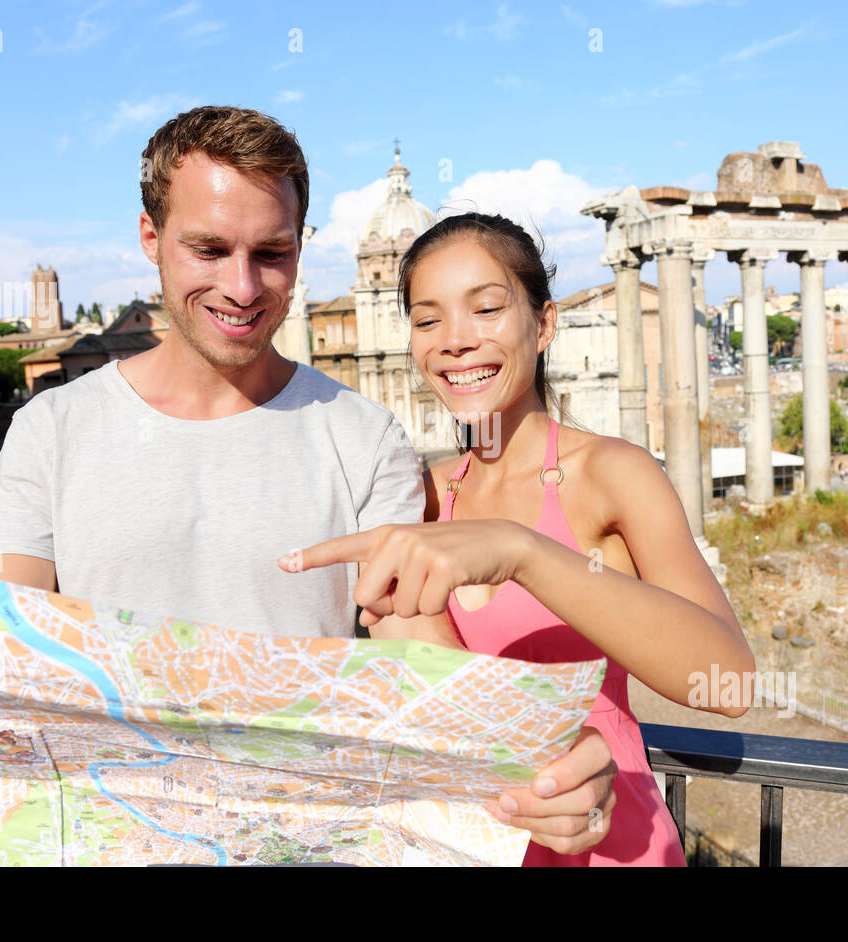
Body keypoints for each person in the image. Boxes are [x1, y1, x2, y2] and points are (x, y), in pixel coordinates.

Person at [0, 106, 617, 859]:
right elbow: (8, 647)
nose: (243, 287)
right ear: (150, 236)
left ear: (303, 245)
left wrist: (535, 755)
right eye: (210, 250)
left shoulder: (365, 436)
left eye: (273, 253)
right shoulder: (50, 429)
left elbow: (412, 645)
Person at [284, 213, 755, 865]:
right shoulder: (416, 497)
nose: (455, 340)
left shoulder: (613, 474)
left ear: (545, 324)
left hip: (611, 843)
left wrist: (523, 551)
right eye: (428, 320)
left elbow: (727, 682)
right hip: (473, 845)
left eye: (485, 309)